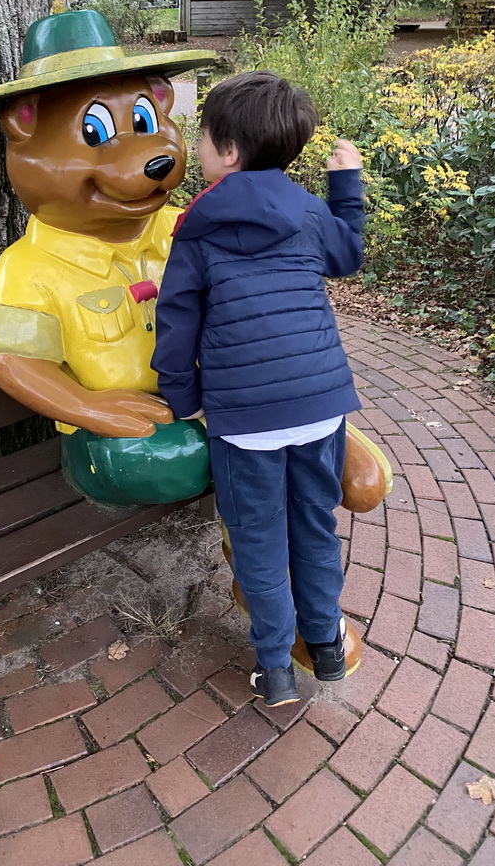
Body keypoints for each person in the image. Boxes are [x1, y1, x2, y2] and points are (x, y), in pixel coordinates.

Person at [151, 70, 364, 707]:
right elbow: (347, 255)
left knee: (259, 538)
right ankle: (324, 646)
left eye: (207, 137)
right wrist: (345, 184)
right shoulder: (308, 210)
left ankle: (275, 667)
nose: (201, 147)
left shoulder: (198, 226)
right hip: (321, 405)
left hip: (245, 419)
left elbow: (177, 314)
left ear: (230, 153)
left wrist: (182, 397)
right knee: (315, 527)